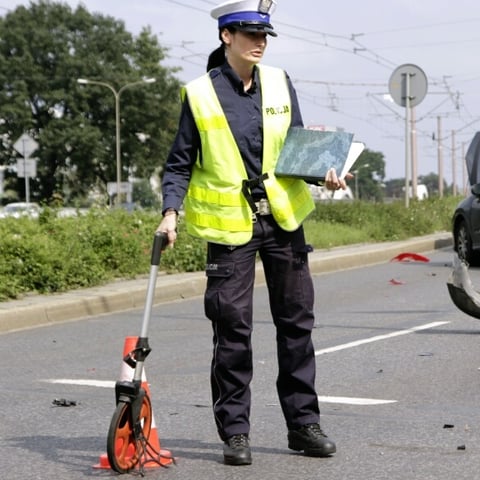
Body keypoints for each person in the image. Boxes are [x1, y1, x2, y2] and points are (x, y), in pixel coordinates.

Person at [156, 0, 342, 466]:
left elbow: (298, 149)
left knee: (297, 326)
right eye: (249, 34)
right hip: (231, 227)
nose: (259, 42)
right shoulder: (198, 94)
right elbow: (179, 163)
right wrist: (170, 213)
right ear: (226, 37)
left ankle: (304, 425)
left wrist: (327, 174)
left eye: (264, 36)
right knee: (233, 331)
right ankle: (235, 433)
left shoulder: (280, 82)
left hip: (283, 221)